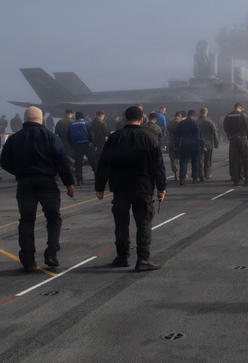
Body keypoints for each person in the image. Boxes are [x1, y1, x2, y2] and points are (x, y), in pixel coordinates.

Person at [0, 106, 75, 272]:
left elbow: (4, 162)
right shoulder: (50, 137)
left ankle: (28, 259)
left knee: (26, 220)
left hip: (25, 183)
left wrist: (20, 172)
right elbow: (62, 161)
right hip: (47, 182)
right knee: (54, 218)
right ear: (40, 119)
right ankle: (51, 253)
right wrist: (69, 183)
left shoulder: (14, 139)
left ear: (26, 119)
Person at [95, 105, 166, 272]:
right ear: (141, 119)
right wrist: (161, 187)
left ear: (125, 118)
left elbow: (104, 163)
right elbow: (158, 165)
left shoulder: (114, 138)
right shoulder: (149, 137)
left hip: (120, 187)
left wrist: (100, 186)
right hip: (143, 187)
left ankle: (122, 256)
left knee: (121, 223)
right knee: (143, 222)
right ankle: (143, 258)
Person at [223, 103, 248, 186]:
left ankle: (236, 178)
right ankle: (247, 178)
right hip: (242, 138)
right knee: (246, 158)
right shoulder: (243, 115)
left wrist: (230, 136)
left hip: (233, 139)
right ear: (240, 108)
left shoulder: (228, 116)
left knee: (234, 159)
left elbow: (225, 127)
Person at [68, 111, 98, 186]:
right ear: (83, 116)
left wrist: (72, 145)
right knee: (92, 161)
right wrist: (94, 143)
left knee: (78, 163)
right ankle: (97, 176)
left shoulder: (71, 124)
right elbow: (90, 134)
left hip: (76, 145)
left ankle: (79, 180)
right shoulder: (86, 123)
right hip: (86, 144)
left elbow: (68, 136)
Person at [174, 109, 203, 184]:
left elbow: (177, 135)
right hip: (194, 145)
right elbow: (199, 136)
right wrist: (202, 145)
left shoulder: (181, 123)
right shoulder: (196, 123)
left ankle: (182, 178)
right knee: (195, 161)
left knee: (183, 161)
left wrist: (176, 145)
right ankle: (195, 178)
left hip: (184, 144)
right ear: (194, 115)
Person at [198, 107, 220, 181]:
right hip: (208, 144)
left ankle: (201, 175)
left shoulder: (196, 122)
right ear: (206, 113)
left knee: (200, 160)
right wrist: (216, 143)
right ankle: (207, 174)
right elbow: (215, 133)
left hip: (199, 144)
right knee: (208, 161)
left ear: (200, 112)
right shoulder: (210, 122)